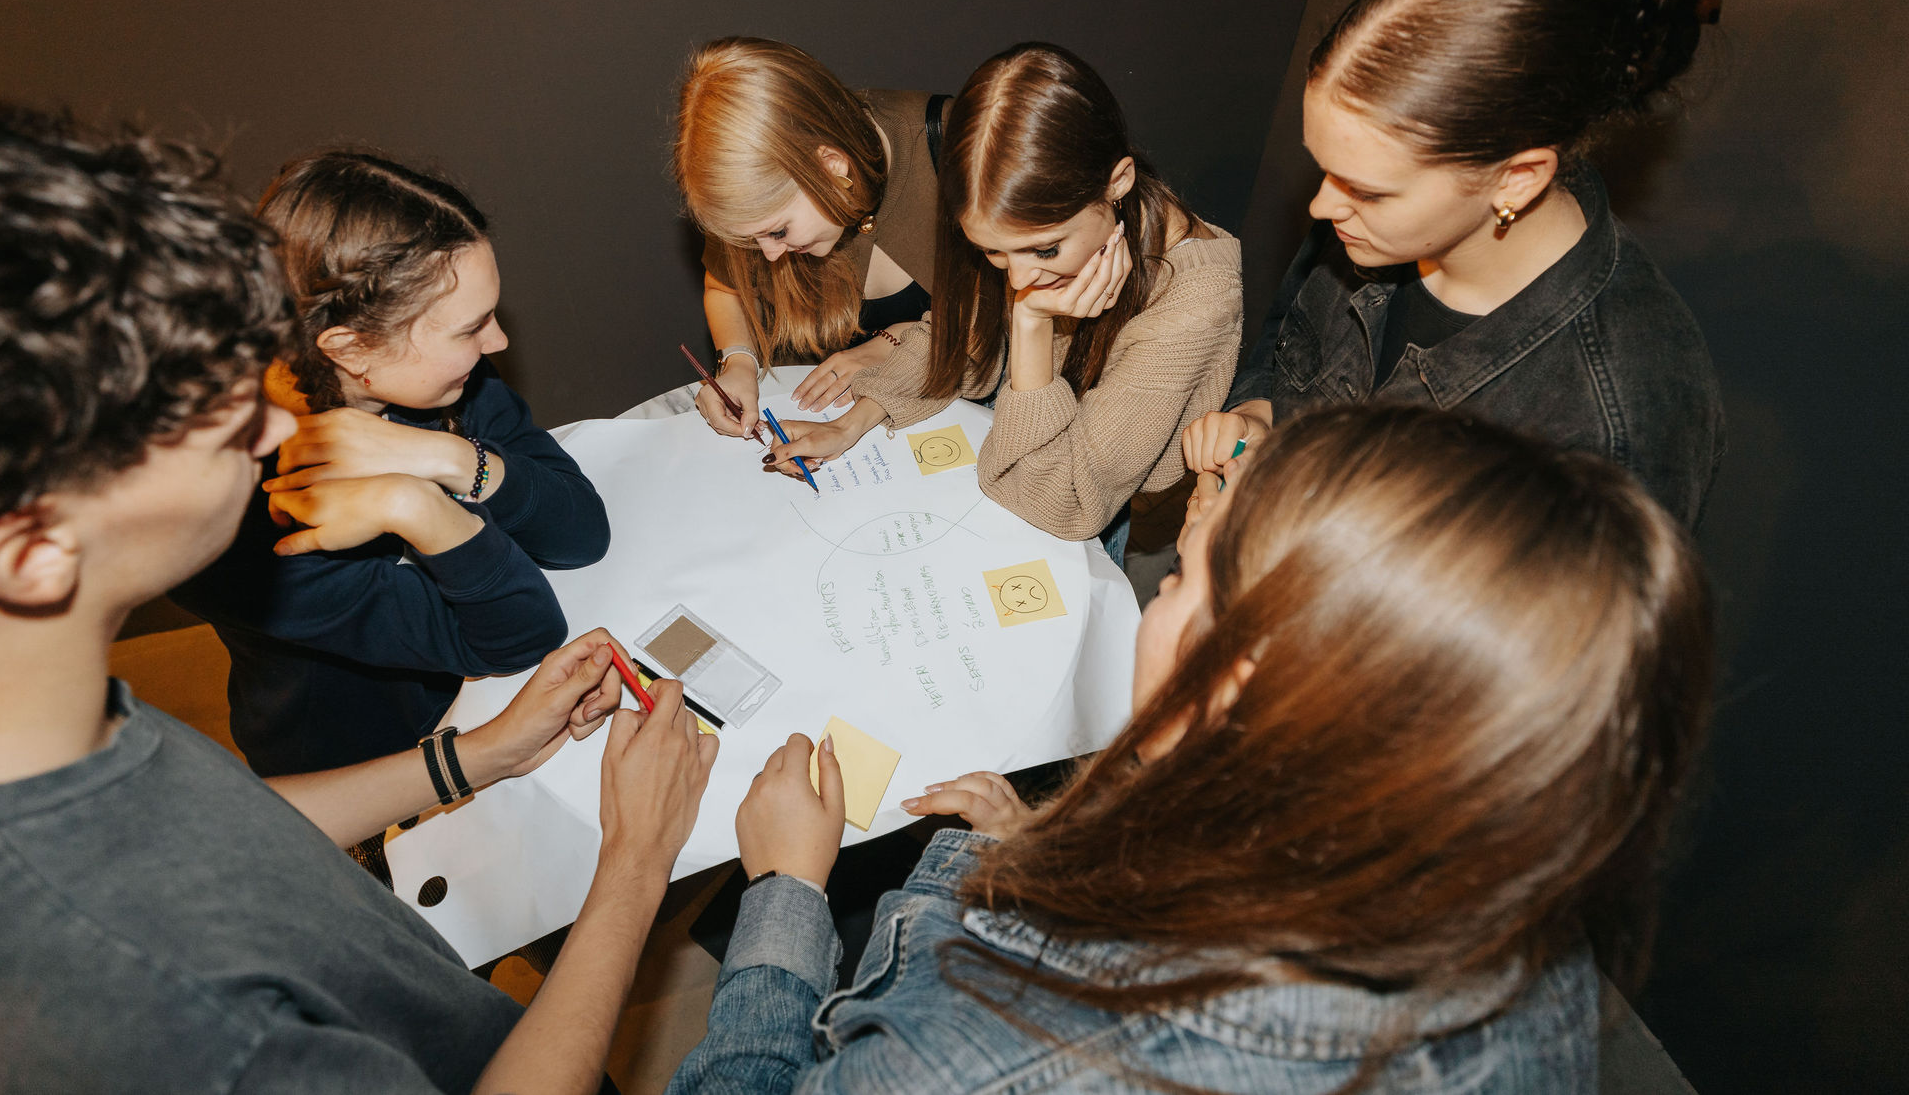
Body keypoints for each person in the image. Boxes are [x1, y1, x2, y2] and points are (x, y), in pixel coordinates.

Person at [0, 90, 716, 1094]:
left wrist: (476, 755)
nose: (272, 424)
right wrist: (634, 863)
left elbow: (214, 827)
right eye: (205, 409)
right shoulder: (158, 1025)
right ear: (29, 547)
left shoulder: (33, 718)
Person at [669, 404, 1716, 1093]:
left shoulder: (991, 1056)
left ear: (1240, 688)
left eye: (1181, 581)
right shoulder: (1520, 926)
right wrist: (1019, 846)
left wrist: (785, 893)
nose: (1159, 592)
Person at [1184, 0, 1724, 527]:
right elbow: (1282, 351)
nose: (1323, 206)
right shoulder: (1367, 222)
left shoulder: (1617, 423)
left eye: (1367, 190)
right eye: (1325, 168)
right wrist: (1256, 420)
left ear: (1517, 178)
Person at [172, 150, 610, 781]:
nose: (497, 342)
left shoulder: (443, 382)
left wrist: (444, 455)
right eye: (470, 329)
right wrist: (415, 504)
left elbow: (582, 535)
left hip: (485, 701)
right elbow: (521, 635)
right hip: (372, 763)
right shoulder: (232, 519)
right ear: (350, 348)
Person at [768, 43, 1242, 554]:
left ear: (1118, 182)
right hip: (1016, 435)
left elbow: (1059, 499)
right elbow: (962, 339)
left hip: (1073, 504)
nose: (1019, 277)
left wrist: (1031, 324)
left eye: (1046, 249)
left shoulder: (1196, 299)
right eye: (993, 252)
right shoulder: (1020, 220)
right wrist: (850, 424)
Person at [674, 36, 953, 434]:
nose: (769, 255)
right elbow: (725, 287)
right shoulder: (753, 193)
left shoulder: (955, 150)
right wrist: (738, 361)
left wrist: (898, 342)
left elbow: (1009, 323)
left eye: (779, 231)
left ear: (831, 167)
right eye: (751, 240)